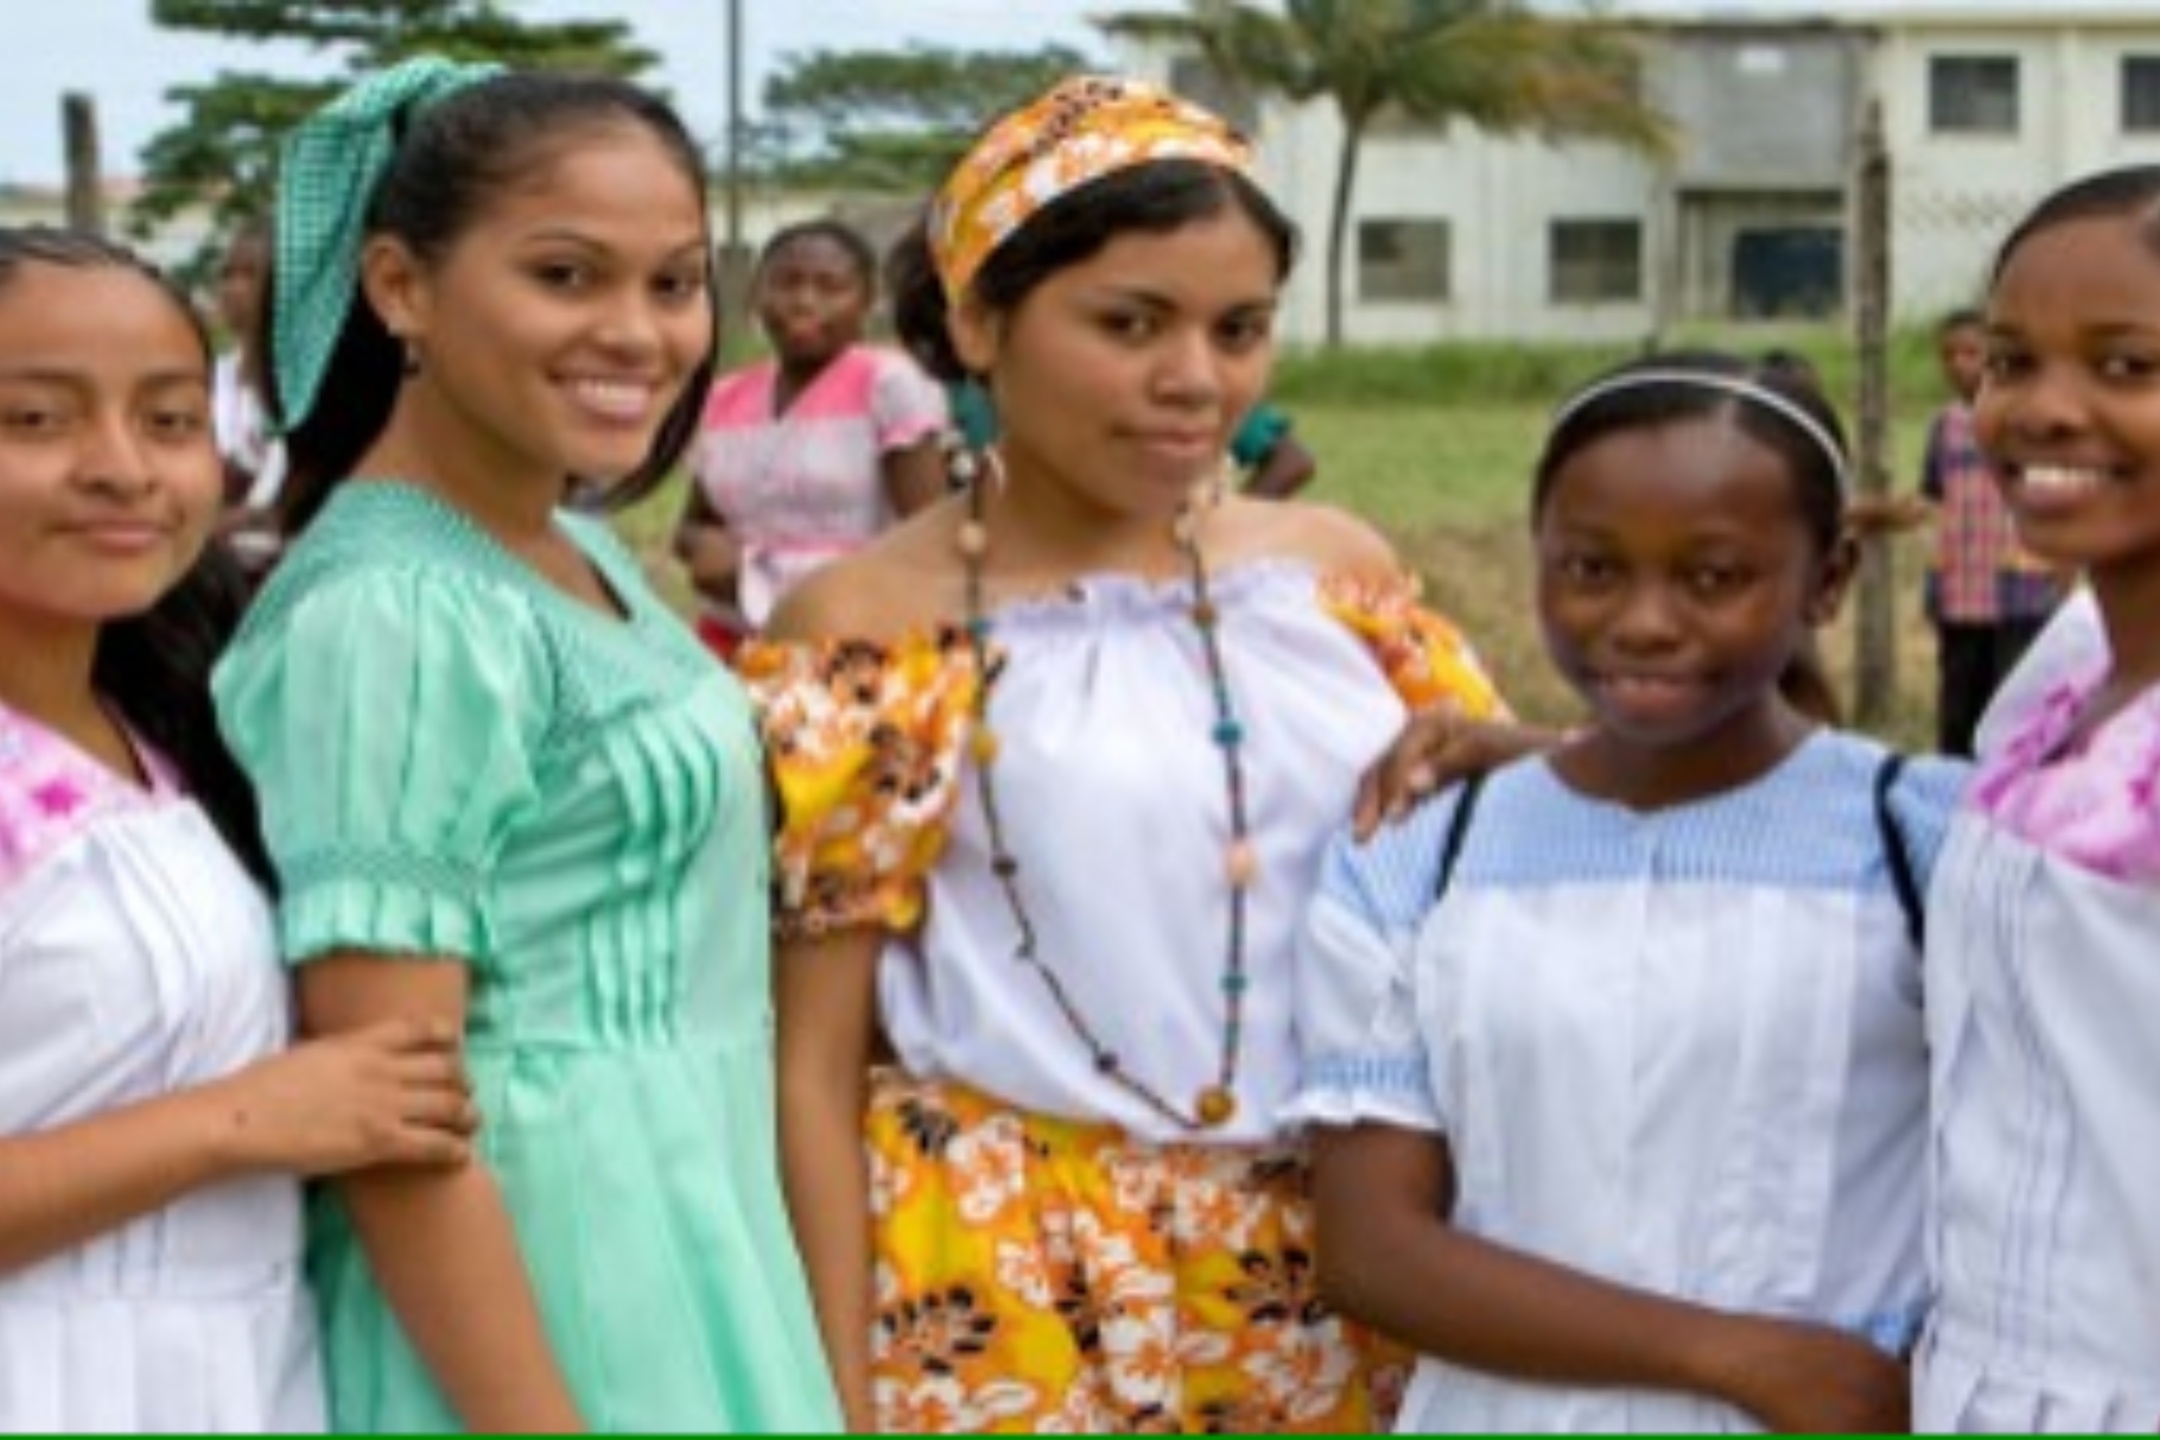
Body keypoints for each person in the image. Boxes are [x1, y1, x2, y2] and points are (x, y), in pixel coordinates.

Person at [742, 73, 1512, 1433]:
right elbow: (810, 1062)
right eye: (1129, 323)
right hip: (1007, 1293)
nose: (1195, 380)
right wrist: (839, 1401)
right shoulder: (869, 633)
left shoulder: (1335, 586)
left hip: (1343, 1268)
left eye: (1239, 329)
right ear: (980, 322)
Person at [210, 60, 841, 1432]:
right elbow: (391, 1113)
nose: (640, 333)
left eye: (674, 284)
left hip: (692, 1235)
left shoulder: (572, 551)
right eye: (566, 276)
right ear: (400, 286)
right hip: (552, 1290)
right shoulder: (394, 613)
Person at [1292, 352, 1968, 1432]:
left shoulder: (1931, 843)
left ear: (1829, 579)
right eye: (1593, 570)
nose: (1644, 621)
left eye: (1712, 576)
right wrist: (1746, 1358)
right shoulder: (1420, 852)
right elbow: (1373, 1249)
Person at [0, 225, 475, 1431]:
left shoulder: (164, 732)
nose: (122, 468)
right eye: (36, 420)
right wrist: (246, 1120)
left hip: (241, 1376)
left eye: (167, 419)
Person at [1912, 164, 2160, 1433]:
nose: (2044, 410)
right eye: (2012, 361)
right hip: (1990, 1382)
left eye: (2127, 367)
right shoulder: (2060, 680)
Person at [675, 218, 949, 656]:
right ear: (755, 295)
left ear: (866, 301)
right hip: (734, 640)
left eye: (830, 286)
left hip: (855, 641)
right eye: (786, 283)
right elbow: (693, 524)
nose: (804, 302)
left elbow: (930, 534)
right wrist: (703, 549)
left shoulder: (888, 385)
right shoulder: (724, 399)